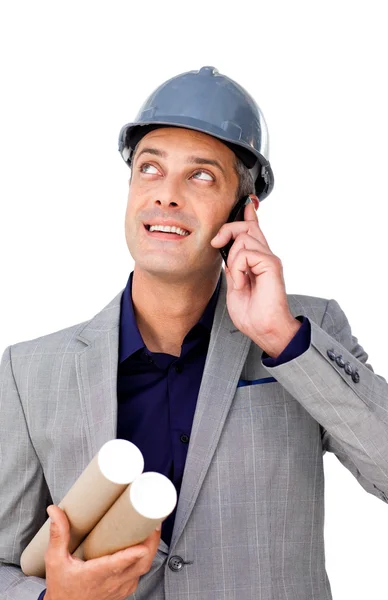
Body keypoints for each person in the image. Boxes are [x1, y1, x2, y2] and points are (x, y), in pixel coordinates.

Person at [0, 65, 387, 600]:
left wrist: (281, 337)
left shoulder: (309, 333)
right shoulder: (30, 371)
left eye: (201, 175)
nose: (166, 195)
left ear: (244, 208)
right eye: (149, 169)